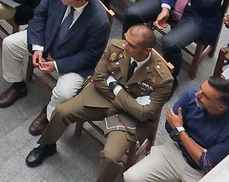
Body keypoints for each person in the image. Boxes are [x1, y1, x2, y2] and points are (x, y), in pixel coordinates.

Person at [22, 22, 176, 182]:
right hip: (104, 97)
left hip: (128, 117)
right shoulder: (116, 47)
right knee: (61, 111)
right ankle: (47, 145)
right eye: (125, 40)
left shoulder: (162, 79)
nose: (125, 46)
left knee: (110, 156)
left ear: (146, 51)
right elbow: (99, 77)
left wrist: (115, 87)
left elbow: (144, 113)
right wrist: (126, 98)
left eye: (131, 45)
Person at [0, 0, 110, 136]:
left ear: (81, 1)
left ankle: (48, 114)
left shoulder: (99, 22)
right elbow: (39, 16)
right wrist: (38, 47)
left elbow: (89, 56)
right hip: (47, 41)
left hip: (72, 59)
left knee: (64, 92)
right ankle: (18, 85)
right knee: (10, 44)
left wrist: (56, 65)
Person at [121, 77, 229, 181]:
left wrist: (180, 130)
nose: (198, 95)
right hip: (175, 151)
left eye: (206, 96)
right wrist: (199, 150)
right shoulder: (190, 96)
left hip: (199, 173)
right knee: (131, 177)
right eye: (200, 89)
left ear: (221, 107)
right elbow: (168, 125)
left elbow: (206, 165)